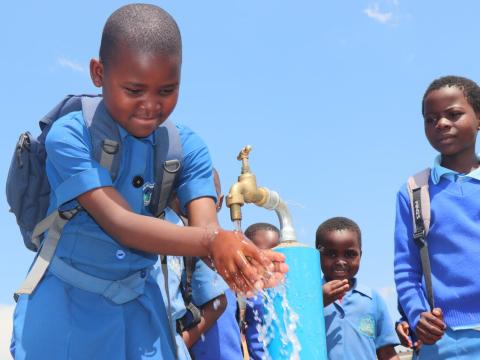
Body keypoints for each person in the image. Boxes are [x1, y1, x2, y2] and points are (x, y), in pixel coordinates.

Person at [10, 4, 286, 359]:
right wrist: (214, 241)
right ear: (98, 72)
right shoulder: (69, 135)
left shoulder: (187, 147)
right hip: (66, 307)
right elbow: (121, 222)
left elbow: (205, 224)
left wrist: (244, 261)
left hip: (141, 312)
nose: (150, 105)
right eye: (134, 89)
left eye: (166, 90)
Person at [394, 75, 480, 359]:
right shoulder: (415, 192)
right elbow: (407, 271)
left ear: (478, 118)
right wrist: (418, 315)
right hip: (445, 342)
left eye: (453, 114)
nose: (441, 124)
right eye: (430, 119)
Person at [159, 169, 228, 359]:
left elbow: (218, 302)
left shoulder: (195, 239)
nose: (198, 200)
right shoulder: (155, 221)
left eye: (207, 195)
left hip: (169, 342)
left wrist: (182, 341)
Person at [316, 217, 399, 360]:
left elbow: (387, 352)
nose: (340, 261)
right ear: (317, 256)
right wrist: (316, 302)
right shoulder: (307, 298)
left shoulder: (373, 299)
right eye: (331, 254)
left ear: (360, 255)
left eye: (349, 254)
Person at [241, 223, 281, 360]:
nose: (266, 259)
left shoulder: (283, 291)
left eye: (273, 252)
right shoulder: (243, 292)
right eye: (260, 253)